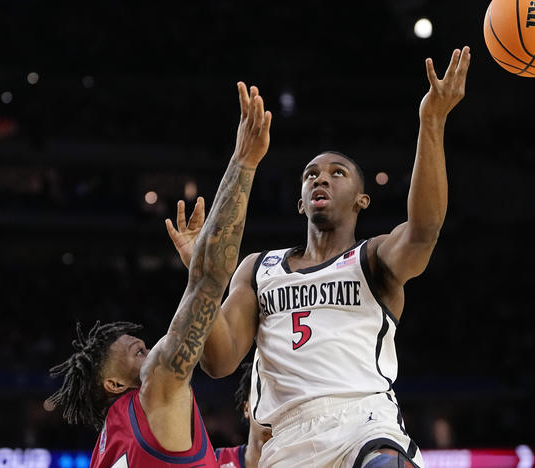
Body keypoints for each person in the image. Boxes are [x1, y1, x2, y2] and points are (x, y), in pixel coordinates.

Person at [167, 47, 471, 468]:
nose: (321, 177)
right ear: (300, 202)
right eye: (311, 174)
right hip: (288, 440)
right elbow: (218, 361)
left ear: (361, 200)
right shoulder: (259, 268)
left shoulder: (373, 259)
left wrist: (432, 121)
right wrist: (201, 275)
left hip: (364, 421)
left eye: (336, 172)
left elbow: (423, 231)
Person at [46, 81, 272, 468]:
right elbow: (210, 280)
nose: (135, 339)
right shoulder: (156, 387)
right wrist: (244, 162)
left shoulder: (107, 448)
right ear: (115, 384)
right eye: (126, 347)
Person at [214, 361, 272, 468]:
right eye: (262, 395)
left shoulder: (308, 459)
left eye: (279, 400)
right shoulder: (215, 461)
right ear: (246, 408)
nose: (272, 407)